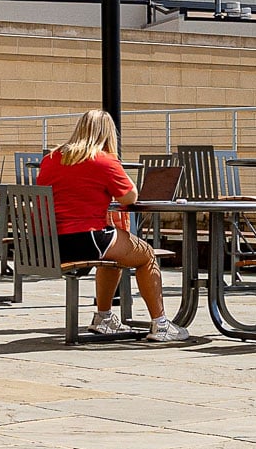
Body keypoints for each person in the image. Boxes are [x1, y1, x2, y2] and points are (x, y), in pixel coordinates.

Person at [37, 109, 189, 343]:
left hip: (50, 243)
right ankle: (161, 325)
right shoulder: (103, 160)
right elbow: (129, 197)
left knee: (116, 252)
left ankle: (104, 318)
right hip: (86, 239)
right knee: (146, 254)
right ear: (108, 133)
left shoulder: (51, 159)